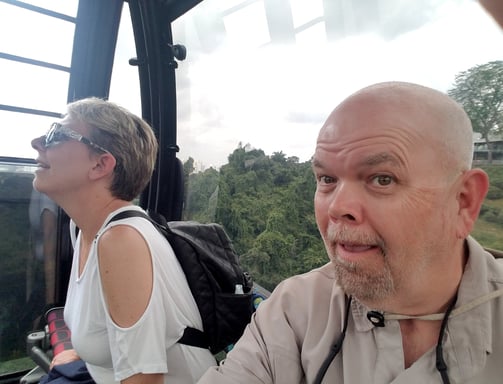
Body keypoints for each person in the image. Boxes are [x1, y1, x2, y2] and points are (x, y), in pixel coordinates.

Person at [197, 81, 503, 383]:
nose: (337, 208)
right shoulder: (293, 311)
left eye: (382, 179)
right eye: (327, 178)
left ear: (463, 202)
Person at [31, 98, 216, 384]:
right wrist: (82, 354)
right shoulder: (82, 228)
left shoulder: (121, 241)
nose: (37, 142)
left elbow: (145, 380)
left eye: (57, 134)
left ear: (100, 164)